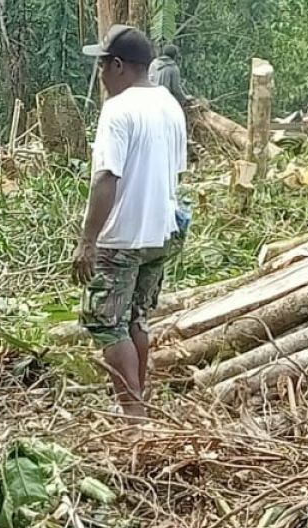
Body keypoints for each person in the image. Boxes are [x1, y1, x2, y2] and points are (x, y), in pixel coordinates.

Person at [76, 24, 188, 421]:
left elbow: (107, 177)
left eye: (103, 66)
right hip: (161, 232)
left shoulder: (118, 109)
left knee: (107, 325)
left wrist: (88, 241)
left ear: (119, 66)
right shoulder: (169, 105)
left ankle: (133, 418)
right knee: (137, 318)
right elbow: (176, 172)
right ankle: (138, 407)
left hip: (122, 234)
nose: (101, 76)